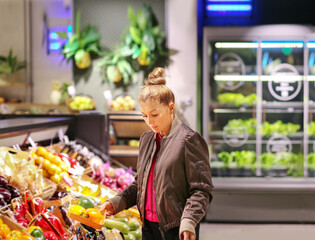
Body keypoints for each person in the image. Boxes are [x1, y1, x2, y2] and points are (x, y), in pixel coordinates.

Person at [100, 67, 213, 240]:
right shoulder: (146, 139)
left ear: (171, 108)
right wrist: (115, 203)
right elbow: (140, 184)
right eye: (144, 115)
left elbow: (201, 190)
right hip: (148, 228)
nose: (149, 122)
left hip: (177, 229)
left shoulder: (189, 140)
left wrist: (189, 221)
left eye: (154, 114)